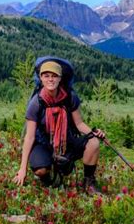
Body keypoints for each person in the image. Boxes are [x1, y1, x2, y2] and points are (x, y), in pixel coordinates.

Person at [12, 59, 105, 193]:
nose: (50, 79)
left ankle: (88, 182)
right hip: (43, 143)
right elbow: (30, 137)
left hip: (66, 140)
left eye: (54, 75)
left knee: (93, 143)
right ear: (41, 78)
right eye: (46, 76)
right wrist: (22, 169)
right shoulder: (35, 103)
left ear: (60, 78)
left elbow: (79, 124)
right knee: (40, 169)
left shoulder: (70, 97)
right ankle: (50, 179)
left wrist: (93, 133)